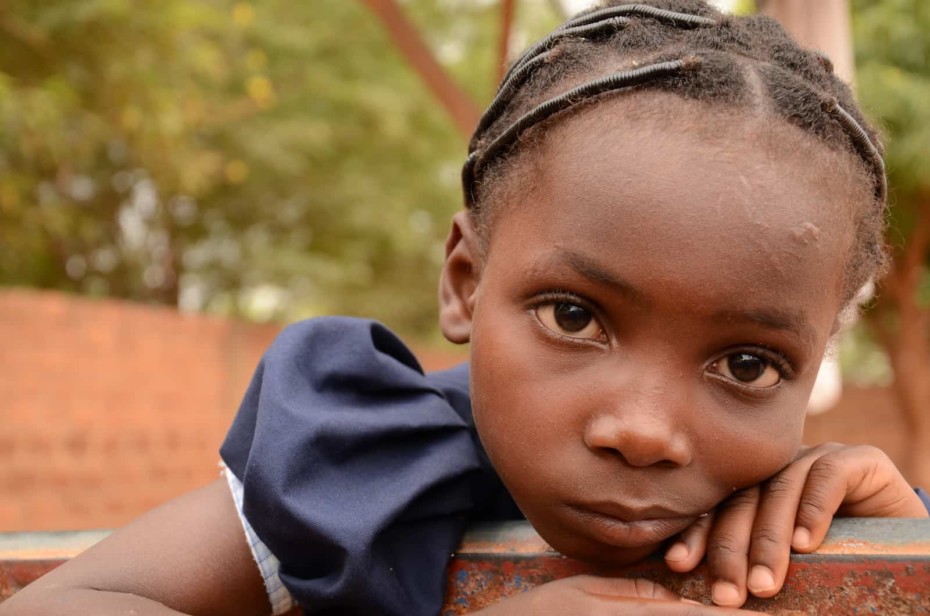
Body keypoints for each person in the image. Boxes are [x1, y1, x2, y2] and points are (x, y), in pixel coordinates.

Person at [2, 1, 928, 615]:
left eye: (748, 365)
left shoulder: (801, 508)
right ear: (465, 280)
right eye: (574, 316)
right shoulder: (374, 464)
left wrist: (902, 546)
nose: (644, 432)